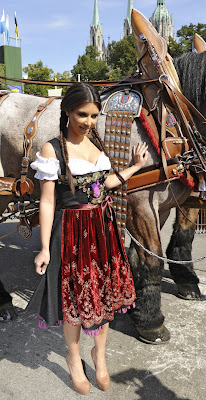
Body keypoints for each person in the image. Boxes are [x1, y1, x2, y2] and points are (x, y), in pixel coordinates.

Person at [30, 82, 148, 395]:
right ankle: (72, 356)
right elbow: (47, 201)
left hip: (102, 228)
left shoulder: (96, 143)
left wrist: (135, 166)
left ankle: (100, 354)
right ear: (67, 110)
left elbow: (104, 183)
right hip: (71, 231)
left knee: (103, 293)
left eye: (94, 115)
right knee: (74, 297)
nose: (89, 121)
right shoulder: (52, 149)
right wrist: (44, 248)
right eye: (83, 114)